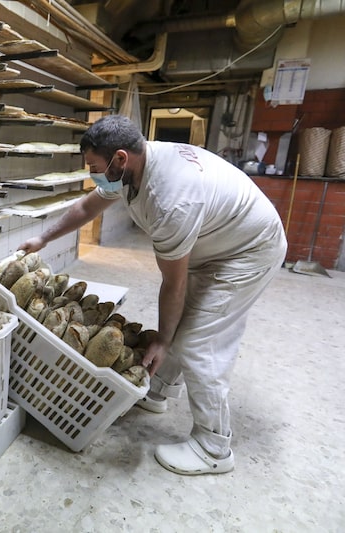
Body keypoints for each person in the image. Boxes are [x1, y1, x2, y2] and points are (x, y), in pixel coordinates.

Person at [18, 114, 287, 475]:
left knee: (198, 341)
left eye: (94, 167)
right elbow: (87, 206)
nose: (92, 174)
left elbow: (172, 285)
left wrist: (161, 341)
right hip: (217, 244)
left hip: (249, 251)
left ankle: (214, 447)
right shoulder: (131, 166)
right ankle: (158, 391)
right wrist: (43, 238)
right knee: (184, 324)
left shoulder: (170, 198)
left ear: (120, 158)